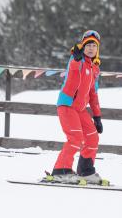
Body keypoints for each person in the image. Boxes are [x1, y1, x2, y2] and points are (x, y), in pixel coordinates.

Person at [49, 30, 104, 184]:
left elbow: (93, 94)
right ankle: (61, 170)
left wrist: (97, 116)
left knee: (92, 137)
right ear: (83, 46)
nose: (91, 48)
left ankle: (85, 171)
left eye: (94, 46)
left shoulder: (94, 69)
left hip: (80, 109)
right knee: (75, 138)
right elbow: (72, 68)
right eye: (88, 45)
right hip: (67, 105)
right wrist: (76, 58)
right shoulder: (76, 60)